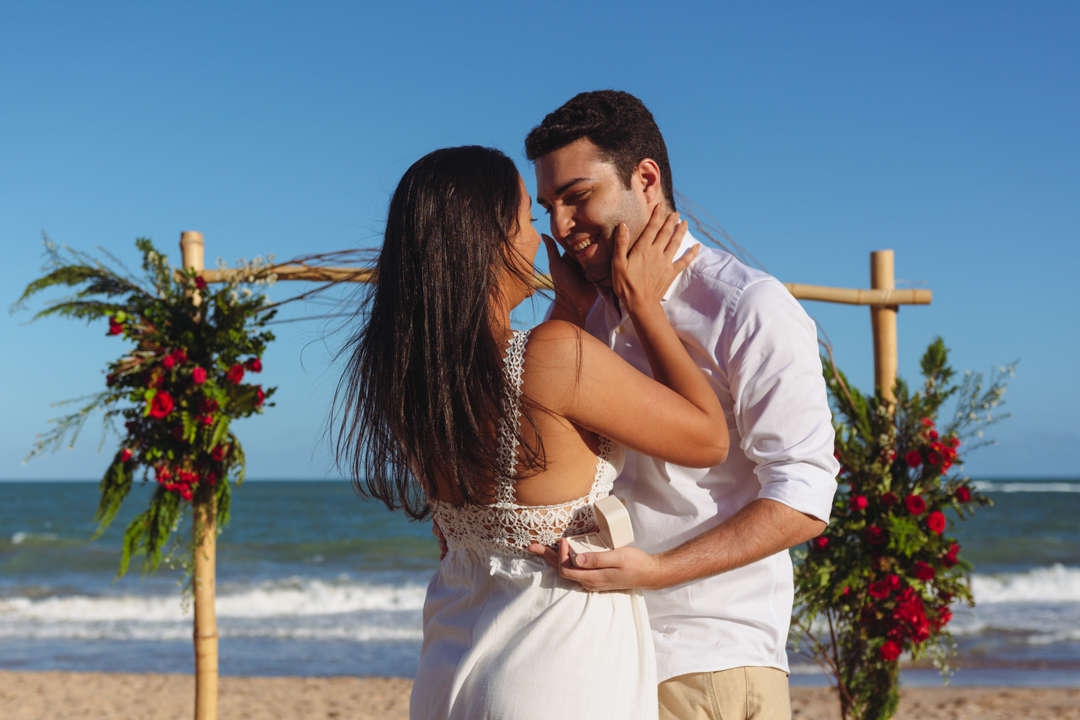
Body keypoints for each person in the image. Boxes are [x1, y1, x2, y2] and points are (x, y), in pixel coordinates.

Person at [332, 145, 733, 719]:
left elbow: (526, 423)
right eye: (526, 218)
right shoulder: (554, 356)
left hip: (452, 651)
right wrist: (643, 305)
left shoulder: (411, 379)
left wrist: (570, 307)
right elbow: (708, 439)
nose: (544, 236)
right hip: (554, 656)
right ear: (491, 242)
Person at [523, 91, 840, 720]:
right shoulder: (592, 311)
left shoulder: (748, 307)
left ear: (645, 180)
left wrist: (657, 572)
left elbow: (806, 495)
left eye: (577, 197)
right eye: (550, 206)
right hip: (604, 654)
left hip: (708, 660)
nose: (559, 227)